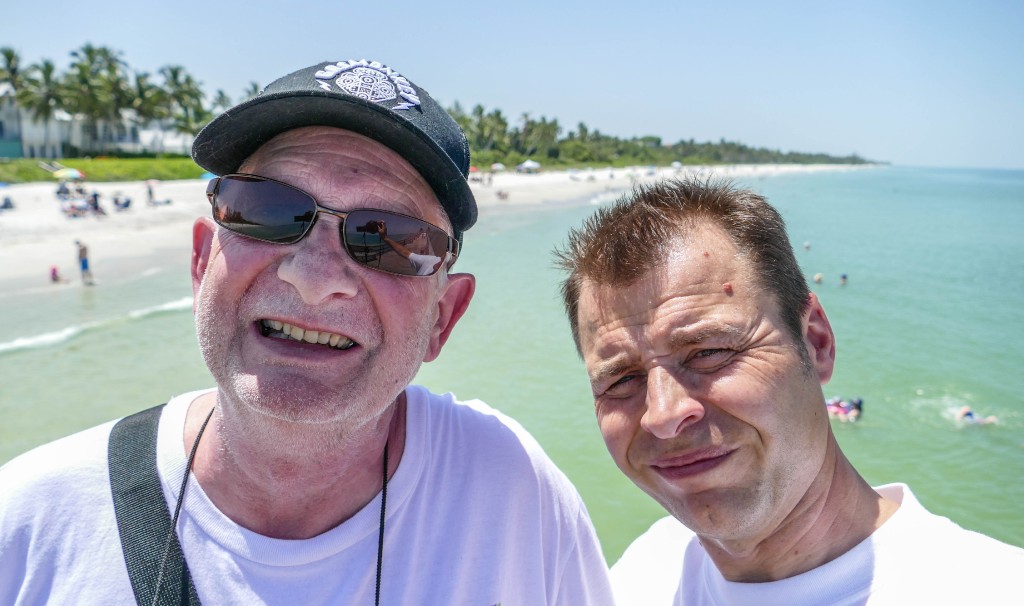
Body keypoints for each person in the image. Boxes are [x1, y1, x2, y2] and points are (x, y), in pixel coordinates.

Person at [0, 58, 613, 605]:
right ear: (201, 261)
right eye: (268, 211)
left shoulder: (514, 497)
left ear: (442, 318)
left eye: (390, 239)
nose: (315, 279)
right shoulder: (28, 524)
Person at [554, 178, 1022, 604]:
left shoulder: (991, 587)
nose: (663, 414)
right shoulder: (640, 575)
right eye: (621, 380)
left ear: (816, 342)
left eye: (709, 352)